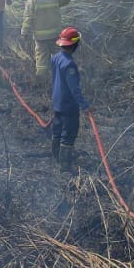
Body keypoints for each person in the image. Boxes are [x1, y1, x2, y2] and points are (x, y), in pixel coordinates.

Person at [50, 27, 89, 171]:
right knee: (69, 134)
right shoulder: (69, 64)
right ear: (74, 45)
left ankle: (55, 157)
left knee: (57, 130)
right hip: (68, 105)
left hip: (57, 102)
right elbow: (74, 89)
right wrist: (84, 105)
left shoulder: (55, 58)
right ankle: (65, 166)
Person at [20, 0, 72, 76]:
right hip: (56, 34)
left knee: (42, 58)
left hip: (41, 37)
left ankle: (41, 79)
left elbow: (28, 18)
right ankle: (63, 74)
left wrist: (24, 32)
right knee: (58, 54)